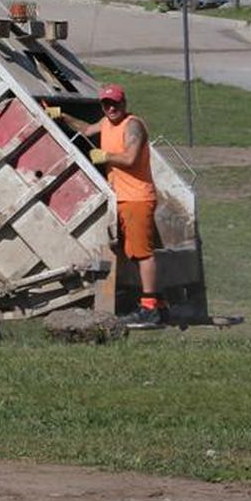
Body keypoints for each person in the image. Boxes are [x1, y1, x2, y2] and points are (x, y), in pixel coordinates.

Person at [55, 83, 162, 326]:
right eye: (106, 104)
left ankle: (150, 308)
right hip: (123, 197)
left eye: (115, 103)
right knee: (135, 253)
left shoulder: (132, 125)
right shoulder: (106, 123)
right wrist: (62, 115)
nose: (111, 108)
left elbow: (131, 158)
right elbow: (85, 129)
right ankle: (158, 303)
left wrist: (106, 157)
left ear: (124, 103)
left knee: (143, 255)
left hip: (137, 198)